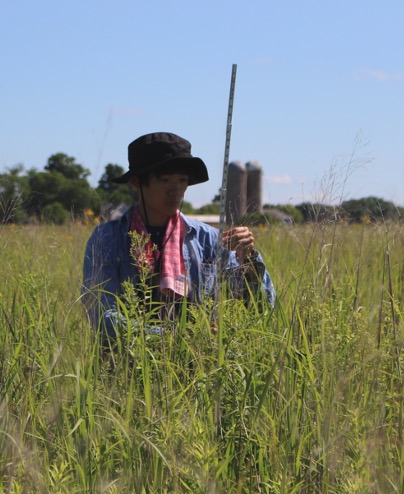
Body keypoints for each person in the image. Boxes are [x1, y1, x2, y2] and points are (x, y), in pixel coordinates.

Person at [82, 132, 276, 343]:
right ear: (138, 182)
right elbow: (102, 316)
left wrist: (247, 260)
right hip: (123, 366)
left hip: (197, 366)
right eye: (164, 180)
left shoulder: (208, 240)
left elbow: (263, 307)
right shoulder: (107, 239)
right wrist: (173, 338)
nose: (176, 191)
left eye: (182, 181)